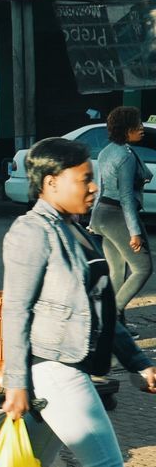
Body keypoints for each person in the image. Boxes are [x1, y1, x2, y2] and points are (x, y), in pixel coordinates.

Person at [0, 137, 156, 467]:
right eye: (85, 178)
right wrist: (16, 383)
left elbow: (104, 308)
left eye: (93, 177)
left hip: (67, 365)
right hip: (51, 368)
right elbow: (15, 312)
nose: (94, 187)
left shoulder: (76, 227)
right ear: (51, 183)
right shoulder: (31, 233)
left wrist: (139, 362)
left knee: (27, 465)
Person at [90, 106, 151, 324]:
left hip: (103, 214)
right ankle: (111, 315)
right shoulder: (125, 156)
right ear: (126, 129)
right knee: (143, 268)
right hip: (118, 215)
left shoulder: (107, 151)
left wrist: (92, 220)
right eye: (138, 124)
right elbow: (126, 197)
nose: (142, 128)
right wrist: (135, 232)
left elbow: (101, 187)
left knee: (117, 272)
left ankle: (116, 330)